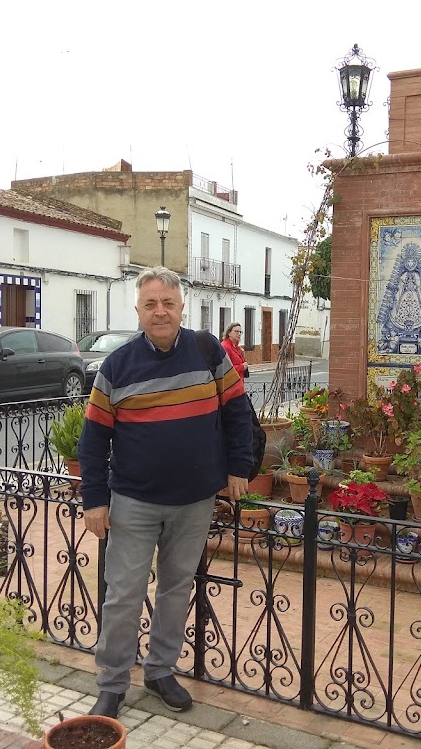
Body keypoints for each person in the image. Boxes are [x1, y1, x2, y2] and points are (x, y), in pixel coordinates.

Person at [77, 266, 254, 718]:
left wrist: (239, 467)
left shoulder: (206, 350)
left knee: (176, 589)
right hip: (134, 501)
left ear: (181, 308)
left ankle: (159, 671)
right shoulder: (116, 367)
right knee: (123, 594)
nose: (160, 312)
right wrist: (95, 501)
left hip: (195, 501)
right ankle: (112, 683)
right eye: (151, 304)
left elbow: (238, 410)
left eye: (168, 303)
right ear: (138, 310)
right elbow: (93, 440)